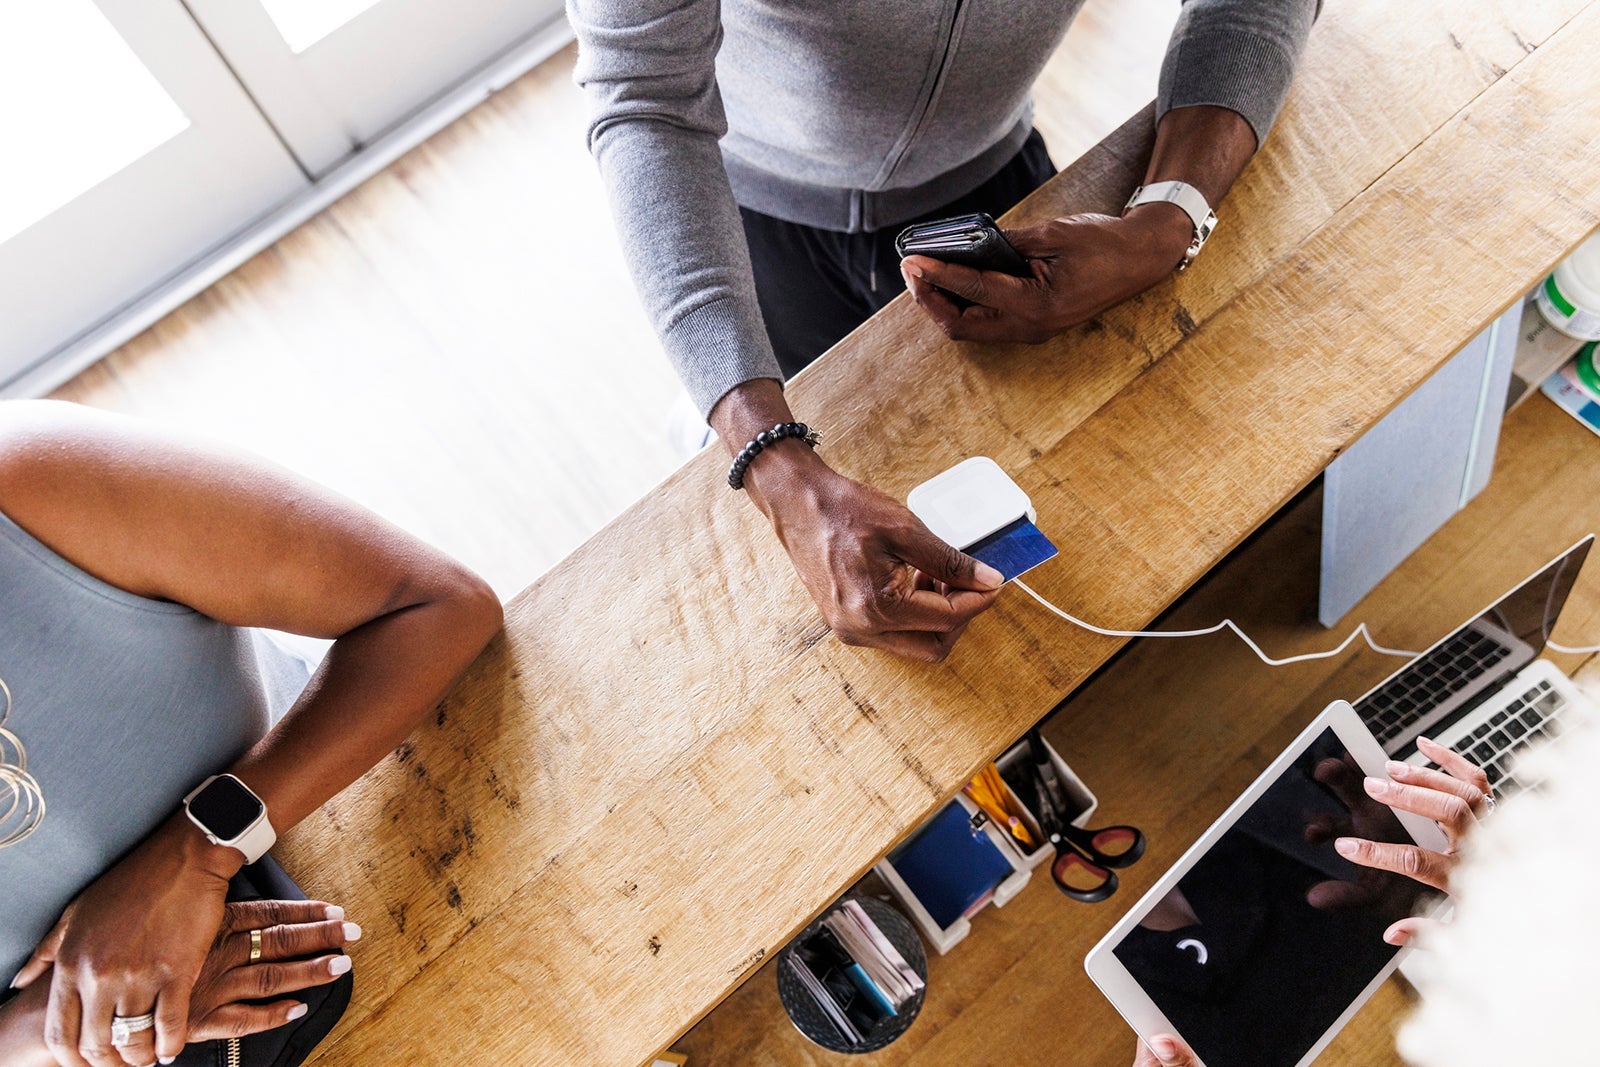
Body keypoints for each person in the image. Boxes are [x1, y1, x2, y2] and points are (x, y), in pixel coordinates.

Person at [568, 0, 1319, 661]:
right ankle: (706, 413)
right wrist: (768, 455)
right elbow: (643, 97)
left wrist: (1165, 222)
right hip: (750, 212)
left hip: (995, 197)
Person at [0, 400, 503, 1067]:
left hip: (373, 837)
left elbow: (434, 604)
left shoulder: (32, 481)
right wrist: (52, 1020)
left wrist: (199, 847)